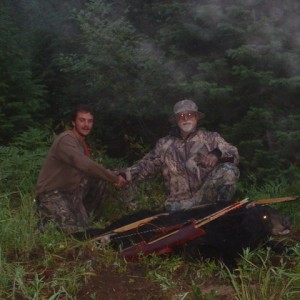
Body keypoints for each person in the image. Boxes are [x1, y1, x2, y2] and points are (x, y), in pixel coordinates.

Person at [121, 99, 240, 212]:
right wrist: (124, 175)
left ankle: (221, 210)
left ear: (196, 117)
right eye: (181, 116)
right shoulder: (164, 144)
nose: (185, 118)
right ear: (176, 120)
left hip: (207, 201)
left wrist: (217, 154)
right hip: (178, 206)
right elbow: (145, 166)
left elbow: (234, 155)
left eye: (189, 114)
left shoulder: (212, 138)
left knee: (229, 169)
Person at [35, 104, 126, 232]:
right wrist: (114, 178)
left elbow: (91, 171)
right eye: (82, 120)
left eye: (89, 121)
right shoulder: (66, 140)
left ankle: (88, 217)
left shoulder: (81, 143)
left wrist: (115, 175)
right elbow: (87, 165)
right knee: (73, 234)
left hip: (71, 191)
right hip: (52, 194)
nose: (86, 125)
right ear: (73, 122)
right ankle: (46, 221)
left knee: (100, 179)